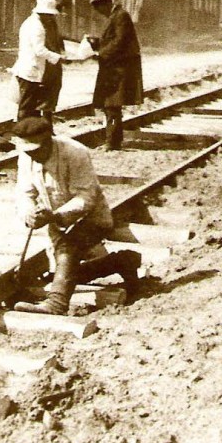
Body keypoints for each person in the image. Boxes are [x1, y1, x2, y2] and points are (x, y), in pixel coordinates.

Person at [11, 116, 142, 315]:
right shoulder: (27, 156)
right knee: (65, 272)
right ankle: (122, 261)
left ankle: (57, 304)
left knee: (67, 248)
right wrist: (30, 215)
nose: (33, 156)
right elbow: (24, 193)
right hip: (58, 224)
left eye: (36, 150)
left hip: (92, 218)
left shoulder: (74, 153)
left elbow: (86, 197)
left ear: (48, 140)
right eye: (28, 151)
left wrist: (54, 215)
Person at [88, 0, 143, 151]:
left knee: (112, 105)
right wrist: (96, 42)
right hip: (114, 67)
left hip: (119, 69)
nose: (100, 14)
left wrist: (100, 53)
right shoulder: (117, 16)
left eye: (100, 10)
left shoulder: (121, 16)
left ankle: (112, 142)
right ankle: (113, 140)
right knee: (110, 106)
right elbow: (113, 40)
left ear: (105, 5)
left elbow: (120, 41)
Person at [10, 0, 66, 124]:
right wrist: (58, 58)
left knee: (31, 107)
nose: (50, 17)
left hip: (31, 69)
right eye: (48, 15)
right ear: (42, 13)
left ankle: (32, 135)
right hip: (30, 70)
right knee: (26, 107)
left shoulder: (32, 22)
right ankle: (23, 133)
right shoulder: (36, 26)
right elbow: (39, 50)